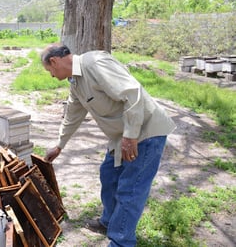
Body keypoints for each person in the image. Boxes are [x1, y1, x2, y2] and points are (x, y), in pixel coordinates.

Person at [41, 43, 176, 247]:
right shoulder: (76, 82)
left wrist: (130, 136)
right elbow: (72, 115)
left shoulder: (95, 63)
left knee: (130, 190)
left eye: (49, 70)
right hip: (121, 137)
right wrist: (59, 145)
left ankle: (121, 241)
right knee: (109, 177)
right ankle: (110, 222)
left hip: (144, 133)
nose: (51, 75)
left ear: (54, 61)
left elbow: (132, 94)